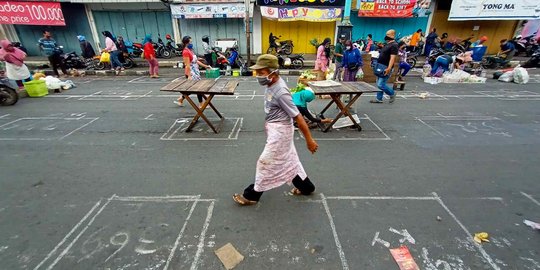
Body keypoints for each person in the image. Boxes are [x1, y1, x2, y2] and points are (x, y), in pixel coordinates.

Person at [233, 54, 318, 205]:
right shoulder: (271, 84)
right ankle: (306, 187)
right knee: (290, 161)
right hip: (275, 129)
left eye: (262, 73)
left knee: (265, 162)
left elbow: (298, 117)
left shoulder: (281, 92)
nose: (258, 76)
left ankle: (252, 195)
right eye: (257, 72)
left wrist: (309, 140)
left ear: (273, 72)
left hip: (281, 133)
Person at [174, 36, 211, 107]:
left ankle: (181, 99)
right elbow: (187, 65)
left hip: (196, 71)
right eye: (190, 42)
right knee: (198, 89)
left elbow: (196, 61)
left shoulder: (190, 50)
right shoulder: (185, 52)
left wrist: (205, 66)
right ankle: (201, 104)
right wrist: (189, 76)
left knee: (193, 89)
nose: (191, 43)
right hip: (191, 72)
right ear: (186, 43)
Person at [370, 30, 397, 104]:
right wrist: (381, 46)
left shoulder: (394, 45)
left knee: (380, 84)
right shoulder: (388, 44)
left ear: (392, 35)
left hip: (385, 67)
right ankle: (379, 99)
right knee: (378, 82)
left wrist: (389, 68)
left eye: (388, 34)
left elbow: (392, 58)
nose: (386, 36)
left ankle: (392, 93)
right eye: (386, 34)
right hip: (380, 65)